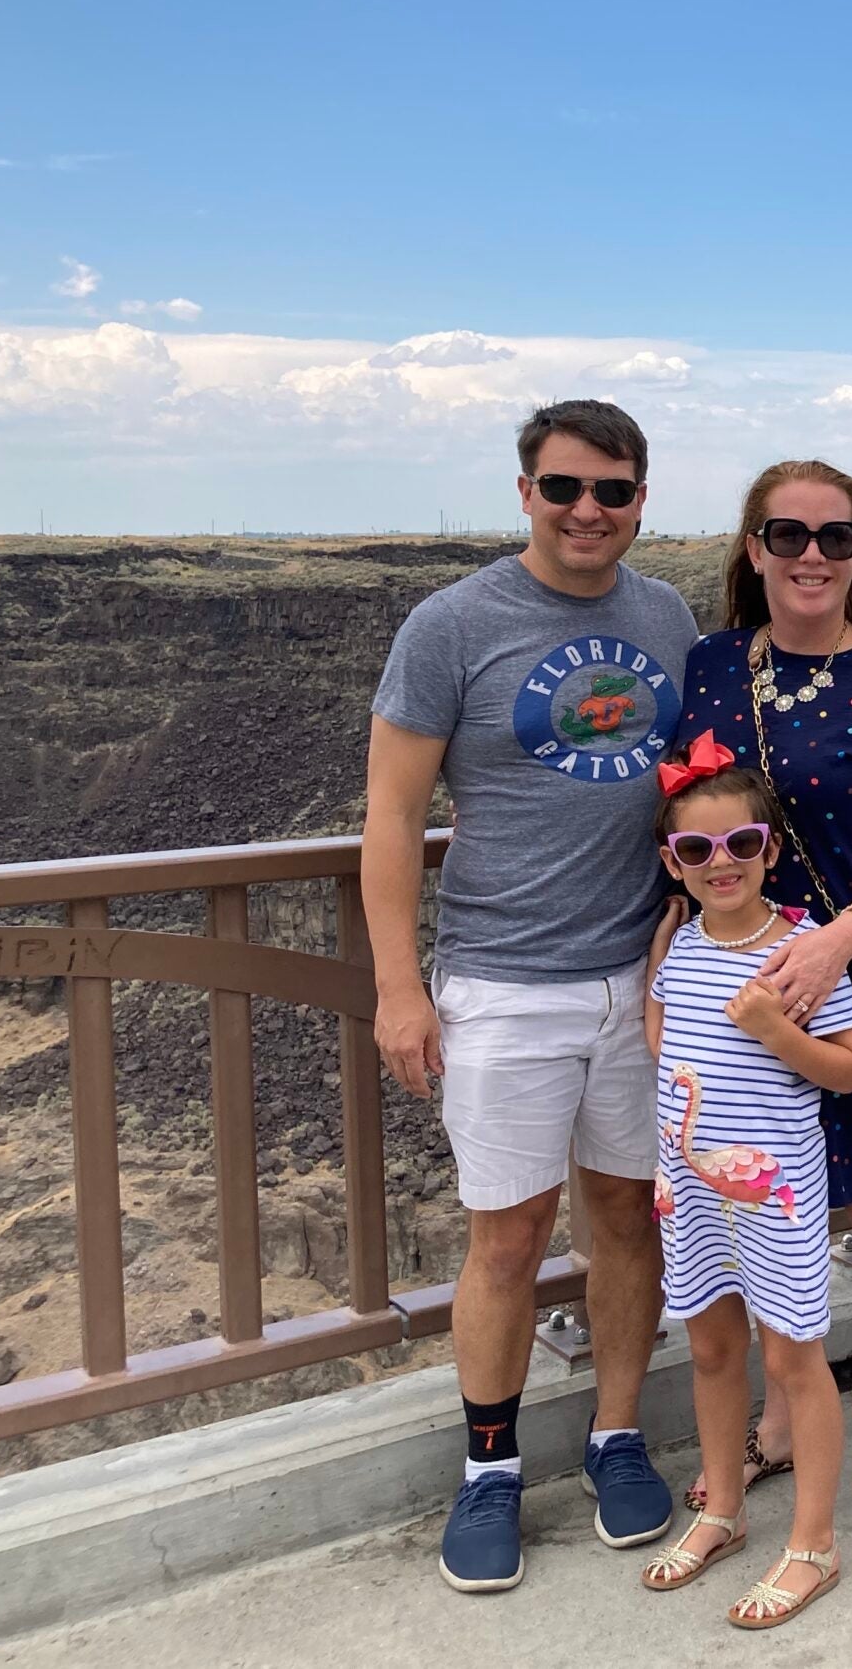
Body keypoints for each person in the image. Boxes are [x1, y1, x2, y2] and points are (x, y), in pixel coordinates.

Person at [364, 400, 697, 1592]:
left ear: (641, 500)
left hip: (640, 985)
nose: (586, 511)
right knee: (506, 1237)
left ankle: (618, 1435)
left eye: (611, 490)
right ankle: (490, 1467)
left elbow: (696, 786)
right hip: (503, 983)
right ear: (525, 493)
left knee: (627, 1219)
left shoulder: (666, 616)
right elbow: (392, 815)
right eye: (563, 488)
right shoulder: (451, 625)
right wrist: (399, 989)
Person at [673, 457, 852, 1566]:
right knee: (761, 1210)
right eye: (787, 534)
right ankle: (785, 1418)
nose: (810, 555)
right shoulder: (712, 666)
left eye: (835, 537)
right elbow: (695, 820)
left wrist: (841, 936)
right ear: (752, 548)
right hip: (745, 995)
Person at [636, 737, 852, 1628]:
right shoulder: (684, 947)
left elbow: (846, 1068)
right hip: (692, 1190)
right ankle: (723, 1508)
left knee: (791, 1357)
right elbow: (665, 1043)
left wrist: (776, 1029)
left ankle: (813, 1544)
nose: (720, 862)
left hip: (773, 1194)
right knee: (709, 1347)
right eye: (697, 848)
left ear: (770, 848)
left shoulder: (801, 954)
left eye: (740, 843)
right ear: (674, 862)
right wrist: (659, 964)